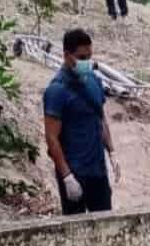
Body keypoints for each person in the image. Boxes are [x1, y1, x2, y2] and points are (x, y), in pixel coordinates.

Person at [43, 29, 121, 215]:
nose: (86, 62)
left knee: (105, 225)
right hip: (75, 172)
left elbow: (100, 118)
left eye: (89, 57)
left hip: (97, 171)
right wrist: (67, 177)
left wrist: (112, 152)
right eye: (81, 57)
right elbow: (51, 137)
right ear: (67, 56)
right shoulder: (57, 91)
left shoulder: (94, 81)